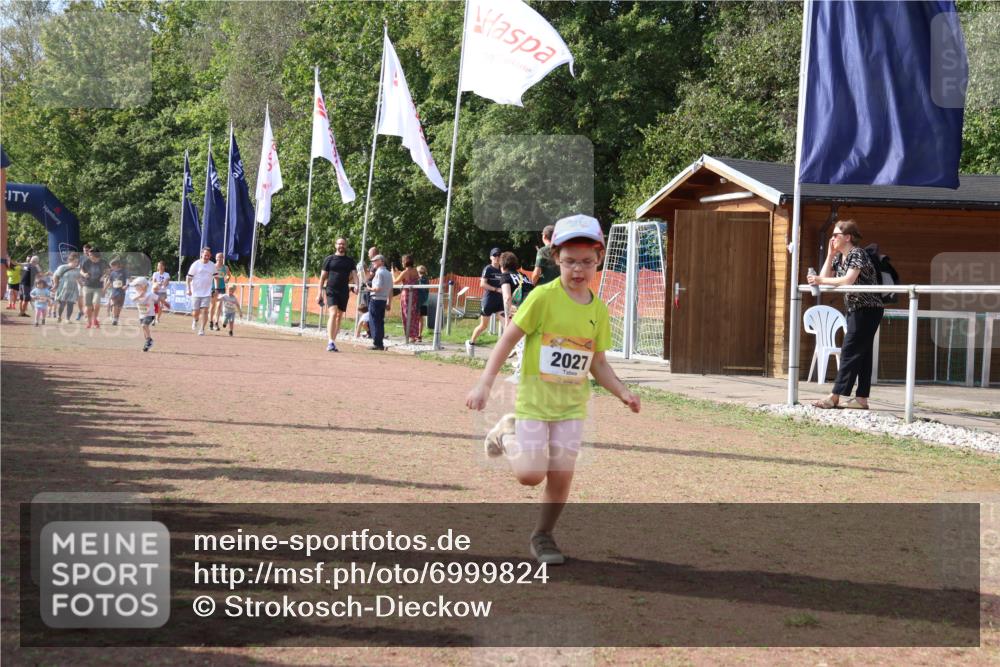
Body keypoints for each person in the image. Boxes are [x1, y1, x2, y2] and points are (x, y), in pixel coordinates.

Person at [465, 215, 640, 566]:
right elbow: (507, 340)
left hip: (571, 406)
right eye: (570, 261)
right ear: (556, 257)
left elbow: (598, 363)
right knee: (530, 475)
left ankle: (543, 535)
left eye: (587, 261)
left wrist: (622, 391)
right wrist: (485, 383)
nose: (578, 269)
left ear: (599, 259)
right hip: (534, 402)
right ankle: (506, 433)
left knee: (561, 475)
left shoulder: (598, 309)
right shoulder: (542, 298)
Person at [807, 219, 885, 410]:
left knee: (849, 350)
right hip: (855, 309)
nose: (832, 238)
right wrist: (830, 255)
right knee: (863, 353)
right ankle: (861, 399)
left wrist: (819, 280)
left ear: (847, 237)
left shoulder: (857, 253)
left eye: (836, 235)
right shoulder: (839, 257)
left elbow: (848, 280)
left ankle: (834, 396)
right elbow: (824, 279)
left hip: (868, 309)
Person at [318, 237, 358, 352]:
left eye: (343, 244)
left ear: (346, 246)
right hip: (331, 289)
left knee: (339, 316)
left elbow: (355, 274)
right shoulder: (329, 259)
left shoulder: (350, 261)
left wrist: (357, 285)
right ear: (335, 245)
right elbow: (322, 278)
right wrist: (319, 293)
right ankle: (330, 341)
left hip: (344, 291)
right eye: (339, 244)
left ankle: (332, 342)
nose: (341, 246)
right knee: (333, 313)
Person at [465, 248, 505, 355]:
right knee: (483, 326)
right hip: (489, 300)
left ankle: (503, 350)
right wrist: (496, 289)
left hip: (500, 302)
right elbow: (482, 284)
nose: (497, 257)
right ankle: (471, 343)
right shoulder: (488, 269)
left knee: (506, 325)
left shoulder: (503, 269)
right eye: (495, 255)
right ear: (491, 257)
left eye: (499, 255)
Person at [186, 247, 222, 336]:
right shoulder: (195, 264)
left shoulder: (212, 265)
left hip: (207, 292)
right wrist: (188, 289)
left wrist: (216, 289)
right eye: (205, 255)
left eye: (208, 255)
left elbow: (216, 278)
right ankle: (195, 320)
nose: (206, 257)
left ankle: (202, 329)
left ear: (210, 256)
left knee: (205, 311)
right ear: (201, 254)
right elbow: (189, 278)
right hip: (196, 292)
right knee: (195, 312)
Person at [393, 254, 421, 344]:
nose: (402, 263)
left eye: (402, 261)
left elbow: (395, 281)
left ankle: (409, 336)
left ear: (405, 262)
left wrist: (392, 274)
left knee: (406, 315)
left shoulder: (405, 272)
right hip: (415, 294)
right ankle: (414, 335)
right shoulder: (415, 271)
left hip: (406, 295)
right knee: (414, 315)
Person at [368, 254, 392, 351]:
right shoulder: (388, 273)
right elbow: (390, 289)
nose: (373, 262)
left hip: (376, 299)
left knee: (374, 321)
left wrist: (369, 288)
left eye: (375, 260)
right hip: (383, 300)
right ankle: (379, 343)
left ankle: (377, 343)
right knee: (380, 322)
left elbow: (377, 288)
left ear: (381, 261)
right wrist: (389, 302)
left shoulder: (379, 272)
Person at [79, 249, 108, 328]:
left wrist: (104, 276)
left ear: (95, 255)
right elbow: (81, 270)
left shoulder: (103, 262)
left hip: (98, 287)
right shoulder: (86, 261)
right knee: (88, 306)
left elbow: (108, 271)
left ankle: (94, 319)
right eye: (88, 254)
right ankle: (89, 322)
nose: (88, 255)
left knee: (96, 304)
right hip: (87, 286)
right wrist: (84, 274)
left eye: (90, 254)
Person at [130, 277, 157, 352]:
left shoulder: (150, 294)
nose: (135, 287)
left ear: (143, 286)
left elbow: (157, 298)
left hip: (150, 314)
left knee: (144, 325)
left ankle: (149, 340)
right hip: (142, 315)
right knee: (144, 329)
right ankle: (147, 342)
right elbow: (132, 299)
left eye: (136, 285)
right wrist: (140, 295)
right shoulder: (136, 294)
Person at [52, 252, 81, 322]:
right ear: (70, 260)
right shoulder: (63, 267)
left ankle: (68, 319)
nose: (76, 263)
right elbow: (55, 276)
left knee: (71, 304)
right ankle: (59, 316)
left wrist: (82, 284)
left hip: (73, 288)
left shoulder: (78, 270)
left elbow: (78, 279)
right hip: (63, 288)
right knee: (62, 303)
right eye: (75, 262)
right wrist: (55, 284)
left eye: (77, 262)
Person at [209, 252, 231, 331]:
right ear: (215, 258)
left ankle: (216, 323)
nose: (219, 258)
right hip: (213, 288)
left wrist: (227, 279)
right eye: (217, 257)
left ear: (223, 258)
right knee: (212, 306)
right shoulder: (213, 267)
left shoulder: (225, 268)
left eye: (221, 257)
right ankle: (211, 322)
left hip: (222, 288)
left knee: (219, 306)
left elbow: (228, 275)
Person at [106, 258, 129, 326]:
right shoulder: (112, 273)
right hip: (114, 292)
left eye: (112, 266)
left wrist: (127, 285)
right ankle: (114, 318)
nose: (111, 268)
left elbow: (129, 280)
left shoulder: (124, 272)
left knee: (119, 307)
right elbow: (109, 282)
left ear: (116, 265)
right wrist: (104, 289)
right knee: (114, 304)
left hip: (121, 292)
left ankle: (116, 318)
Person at [76, 244, 92, 320]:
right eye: (84, 250)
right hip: (81, 280)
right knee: (80, 298)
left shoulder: (94, 258)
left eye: (87, 250)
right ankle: (80, 312)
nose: (85, 252)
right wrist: (79, 280)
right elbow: (78, 270)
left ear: (90, 250)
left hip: (90, 281)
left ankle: (87, 314)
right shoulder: (81, 258)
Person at [416, 265, 430, 335]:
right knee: (419, 318)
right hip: (422, 301)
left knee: (420, 318)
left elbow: (423, 289)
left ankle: (419, 334)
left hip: (421, 301)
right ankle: (418, 334)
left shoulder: (423, 279)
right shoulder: (423, 279)